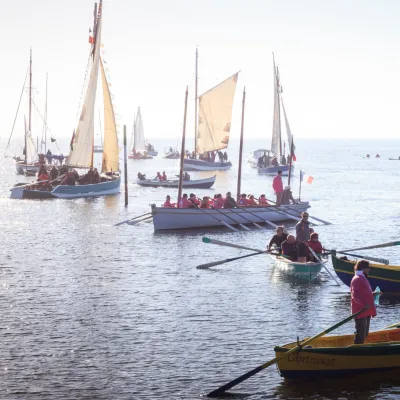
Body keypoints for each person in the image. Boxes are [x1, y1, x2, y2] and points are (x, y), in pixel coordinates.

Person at [350, 260, 377, 344]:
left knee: (364, 333)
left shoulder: (362, 277)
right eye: (368, 268)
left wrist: (373, 294)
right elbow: (355, 296)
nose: (369, 270)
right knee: (360, 333)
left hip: (366, 310)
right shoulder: (357, 279)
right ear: (363, 268)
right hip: (360, 310)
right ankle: (356, 351)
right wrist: (364, 305)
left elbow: (364, 294)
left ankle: (359, 347)